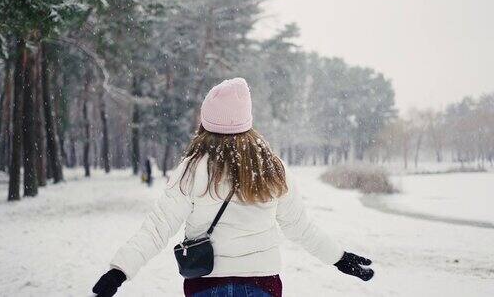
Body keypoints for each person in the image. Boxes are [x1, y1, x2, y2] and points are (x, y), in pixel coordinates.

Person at [92, 78, 374, 297]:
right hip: (261, 285)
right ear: (247, 121)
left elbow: (157, 229)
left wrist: (119, 272)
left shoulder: (191, 170)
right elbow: (301, 228)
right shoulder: (272, 169)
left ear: (206, 122)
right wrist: (340, 258)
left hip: (205, 285)